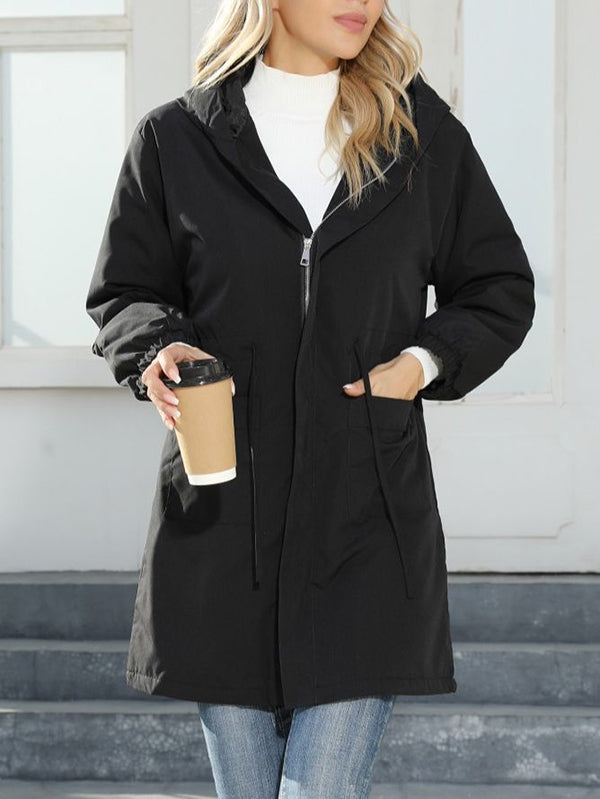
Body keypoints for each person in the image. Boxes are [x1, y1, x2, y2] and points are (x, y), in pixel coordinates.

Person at [85, 0, 536, 796]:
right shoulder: (175, 141)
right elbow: (124, 291)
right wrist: (158, 347)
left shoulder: (420, 138)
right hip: (224, 528)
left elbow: (498, 286)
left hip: (366, 524)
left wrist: (419, 364)